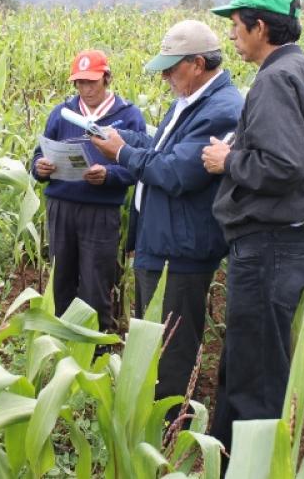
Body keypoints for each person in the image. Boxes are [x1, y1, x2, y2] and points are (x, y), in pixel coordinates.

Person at [202, 0, 304, 455]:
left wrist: (227, 162)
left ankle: (251, 466)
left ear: (260, 27)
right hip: (278, 245)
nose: (233, 36)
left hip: (268, 248)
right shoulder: (299, 71)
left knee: (254, 382)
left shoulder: (277, 78)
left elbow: (283, 165)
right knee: (248, 366)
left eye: (237, 26)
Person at [90, 21, 242, 411]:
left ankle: (170, 431)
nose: (165, 77)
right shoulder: (191, 100)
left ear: (196, 63)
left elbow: (176, 172)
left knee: (172, 351)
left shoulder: (222, 109)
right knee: (152, 340)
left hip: (181, 250)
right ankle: (151, 421)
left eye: (170, 68)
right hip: (161, 242)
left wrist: (122, 154)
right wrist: (123, 138)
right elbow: (161, 148)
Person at [31, 50, 146, 331]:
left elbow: (140, 165)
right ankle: (62, 344)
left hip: (100, 211)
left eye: (92, 82)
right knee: (62, 279)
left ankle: (95, 353)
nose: (86, 89)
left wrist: (108, 175)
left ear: (107, 78)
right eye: (80, 83)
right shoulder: (62, 113)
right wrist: (40, 168)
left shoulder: (128, 116)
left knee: (96, 282)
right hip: (61, 208)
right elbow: (37, 156)